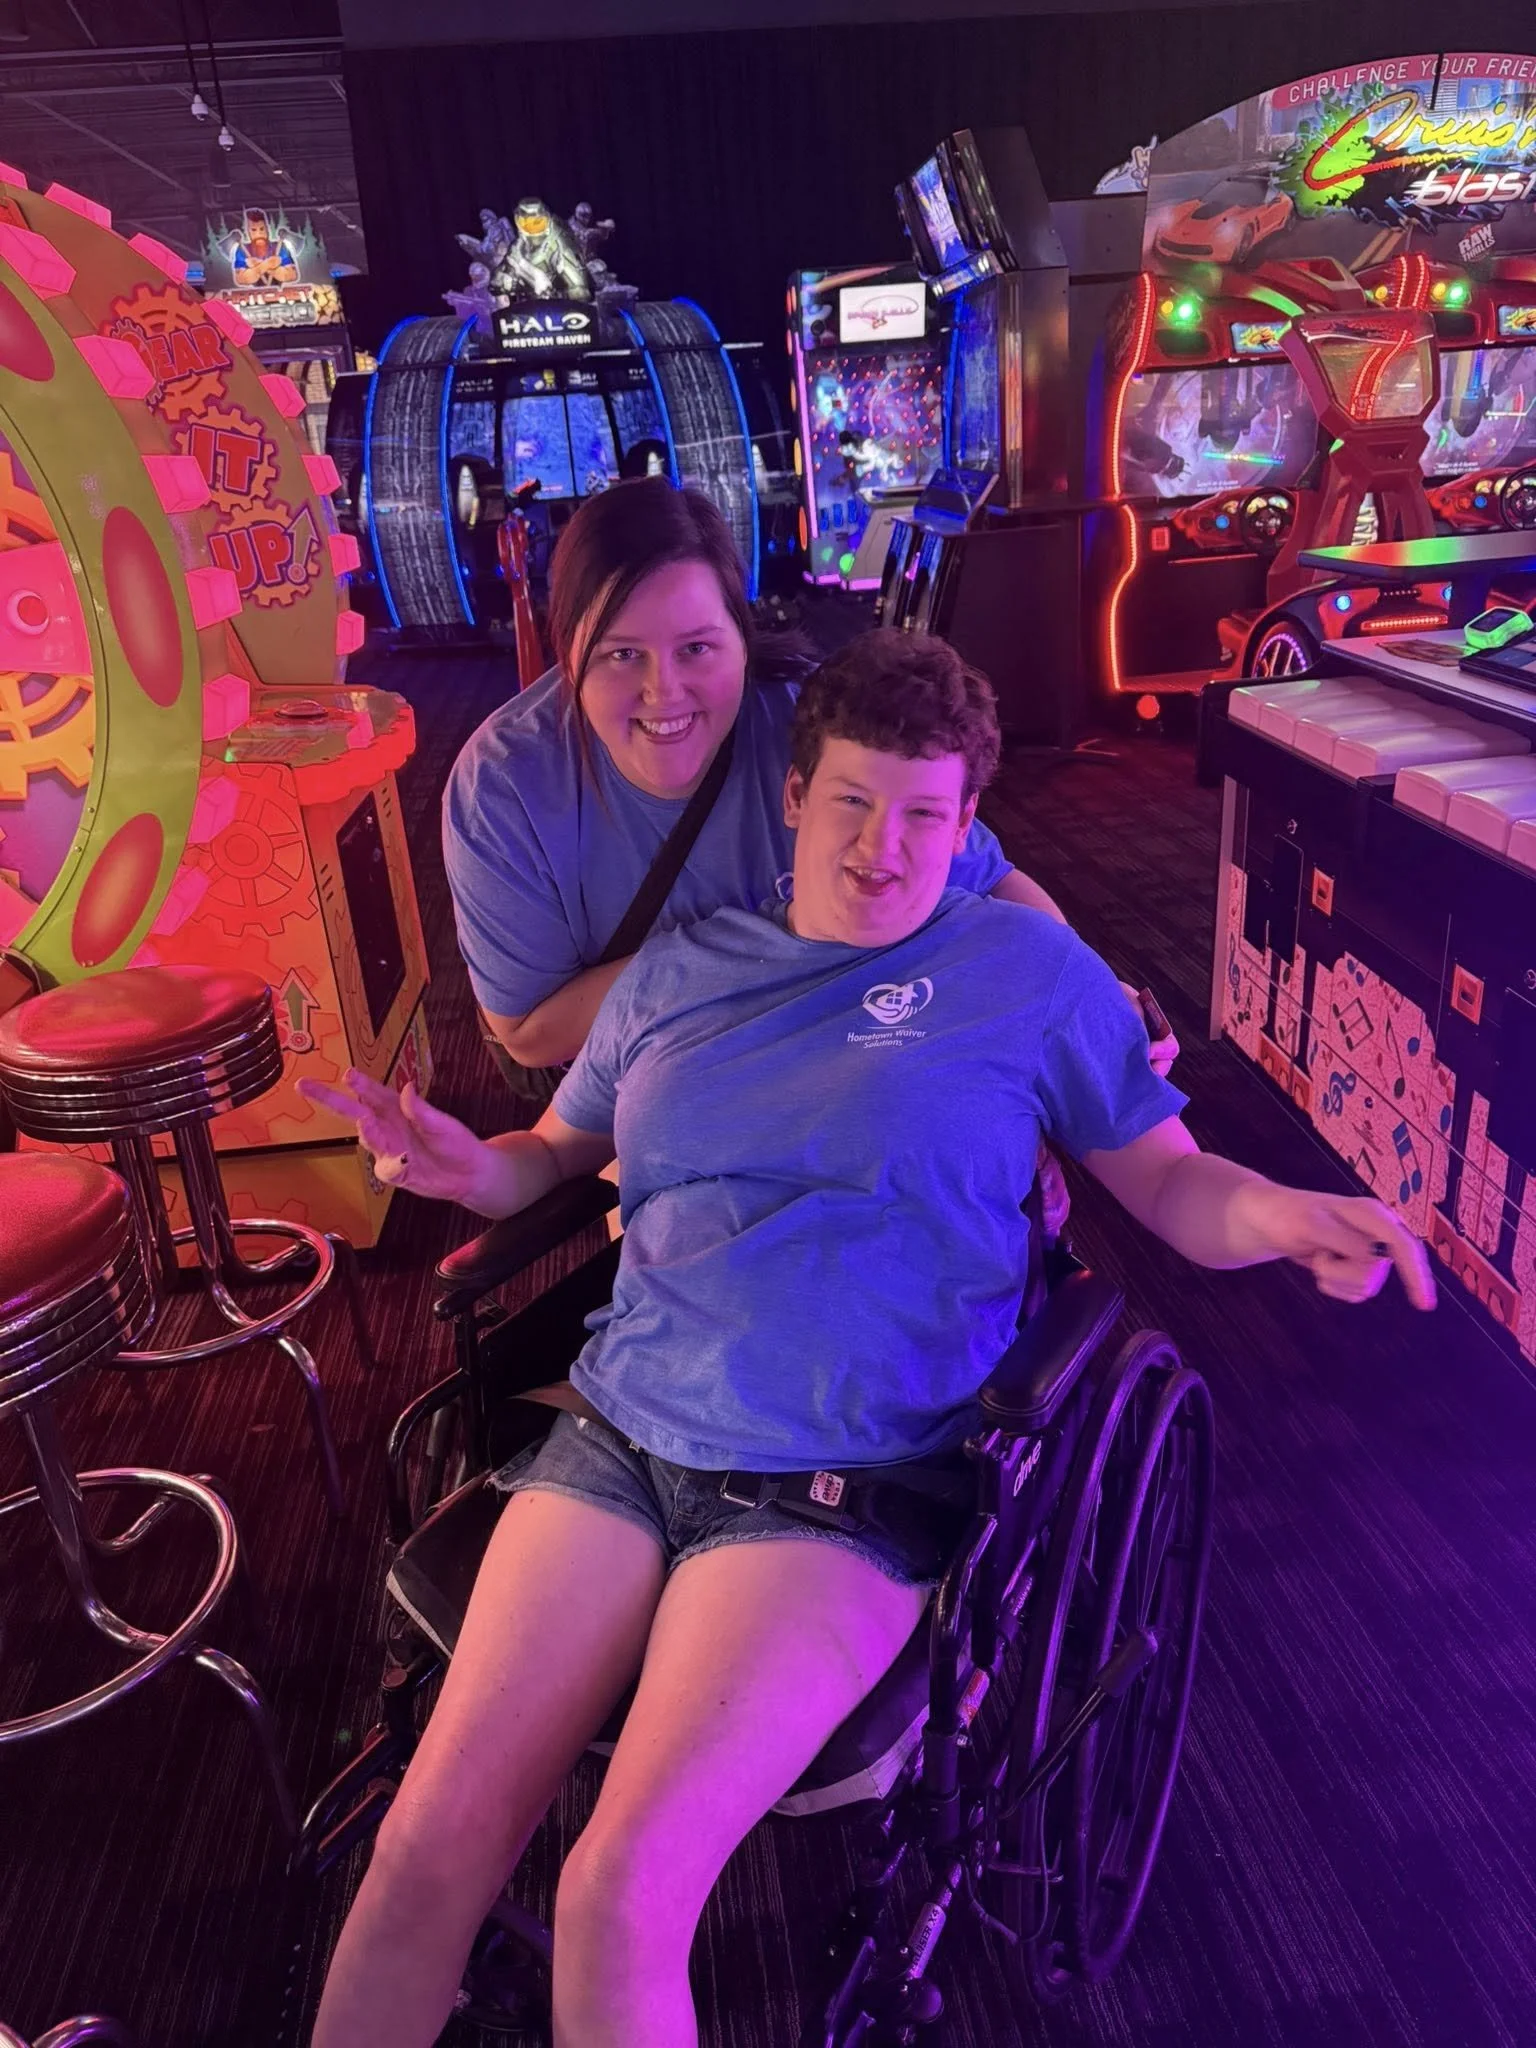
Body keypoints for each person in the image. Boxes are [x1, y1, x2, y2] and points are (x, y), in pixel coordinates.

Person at [305, 630, 1433, 2048]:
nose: (882, 849)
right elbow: (551, 1150)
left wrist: (1274, 1214)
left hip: (834, 1487)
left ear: (966, 827)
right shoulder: (681, 973)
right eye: (851, 802)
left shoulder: (1024, 971)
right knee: (419, 1854)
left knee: (618, 1890)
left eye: (923, 815)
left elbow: (1166, 1183)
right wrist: (465, 1168)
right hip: (620, 1434)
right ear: (794, 797)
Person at [443, 476, 1177, 1103]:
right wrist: (740, 957)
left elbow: (989, 879)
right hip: (633, 1058)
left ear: (743, 635)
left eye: (696, 647)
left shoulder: (807, 719)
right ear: (567, 654)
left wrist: (1092, 989)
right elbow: (530, 1033)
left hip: (826, 1021)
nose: (664, 694)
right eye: (621, 654)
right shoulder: (504, 785)